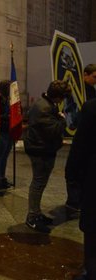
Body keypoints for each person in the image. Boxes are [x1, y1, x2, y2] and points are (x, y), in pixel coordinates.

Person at [24, 80, 70, 234]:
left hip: (42, 148)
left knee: (40, 183)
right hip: (40, 151)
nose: (62, 101)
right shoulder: (44, 108)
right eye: (62, 97)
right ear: (57, 96)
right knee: (38, 184)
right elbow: (54, 130)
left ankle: (36, 213)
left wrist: (57, 116)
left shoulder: (46, 103)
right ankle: (32, 217)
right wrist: (62, 119)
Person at [65, 98, 96, 280]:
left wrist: (72, 174)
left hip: (93, 178)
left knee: (93, 232)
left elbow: (81, 145)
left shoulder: (92, 107)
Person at [65, 63, 96, 212]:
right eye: (94, 77)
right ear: (85, 74)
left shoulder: (91, 95)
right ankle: (73, 202)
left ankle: (77, 201)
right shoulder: (75, 90)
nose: (95, 80)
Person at [0, 80, 14, 190]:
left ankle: (3, 177)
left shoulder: (9, 100)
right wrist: (9, 117)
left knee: (5, 156)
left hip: (9, 131)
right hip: (1, 131)